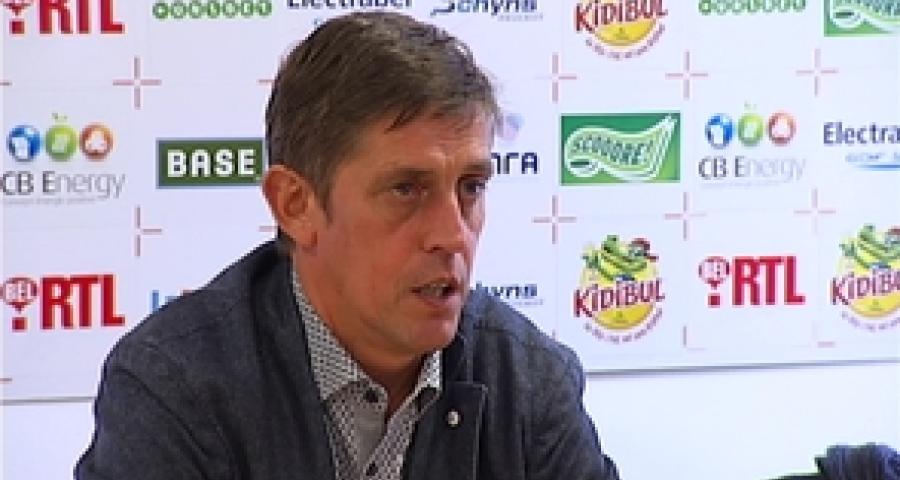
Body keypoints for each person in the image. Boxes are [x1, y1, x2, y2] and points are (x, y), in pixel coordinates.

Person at [75, 11, 620, 480]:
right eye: (406, 189)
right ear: (296, 205)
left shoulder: (529, 381)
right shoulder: (174, 386)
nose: (454, 234)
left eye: (471, 187)